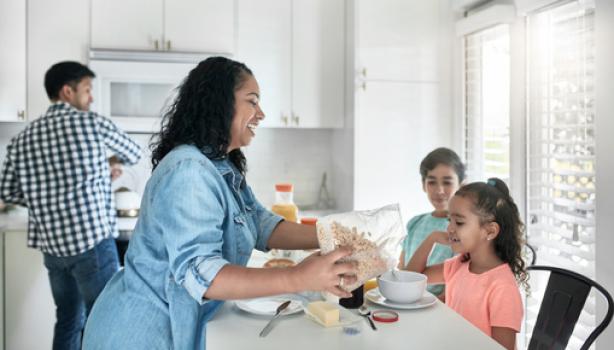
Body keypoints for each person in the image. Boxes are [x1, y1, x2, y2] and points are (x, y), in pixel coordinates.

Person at [82, 56, 356, 349]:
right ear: (220, 103)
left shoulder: (218, 165)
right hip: (138, 334)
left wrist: (337, 236)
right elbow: (205, 274)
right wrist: (299, 277)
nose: (261, 113)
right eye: (252, 101)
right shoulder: (188, 172)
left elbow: (260, 224)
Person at [0, 61, 142, 349]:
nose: (91, 97)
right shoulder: (91, 123)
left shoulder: (23, 138)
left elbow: (9, 191)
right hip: (92, 245)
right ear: (68, 91)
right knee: (104, 318)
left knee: (67, 319)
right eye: (88, 90)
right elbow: (134, 152)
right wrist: (110, 164)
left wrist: (48, 190)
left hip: (54, 249)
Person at [406, 178, 527, 350]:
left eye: (459, 222)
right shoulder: (459, 265)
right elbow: (410, 279)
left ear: (490, 231)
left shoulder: (502, 287)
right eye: (450, 220)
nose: (450, 228)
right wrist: (431, 239)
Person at [398, 147, 464, 298]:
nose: (439, 190)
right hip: (408, 300)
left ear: (460, 184)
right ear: (423, 185)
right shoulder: (415, 223)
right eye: (432, 182)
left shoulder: (462, 228)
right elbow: (403, 271)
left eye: (447, 182)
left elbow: (456, 284)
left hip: (438, 308)